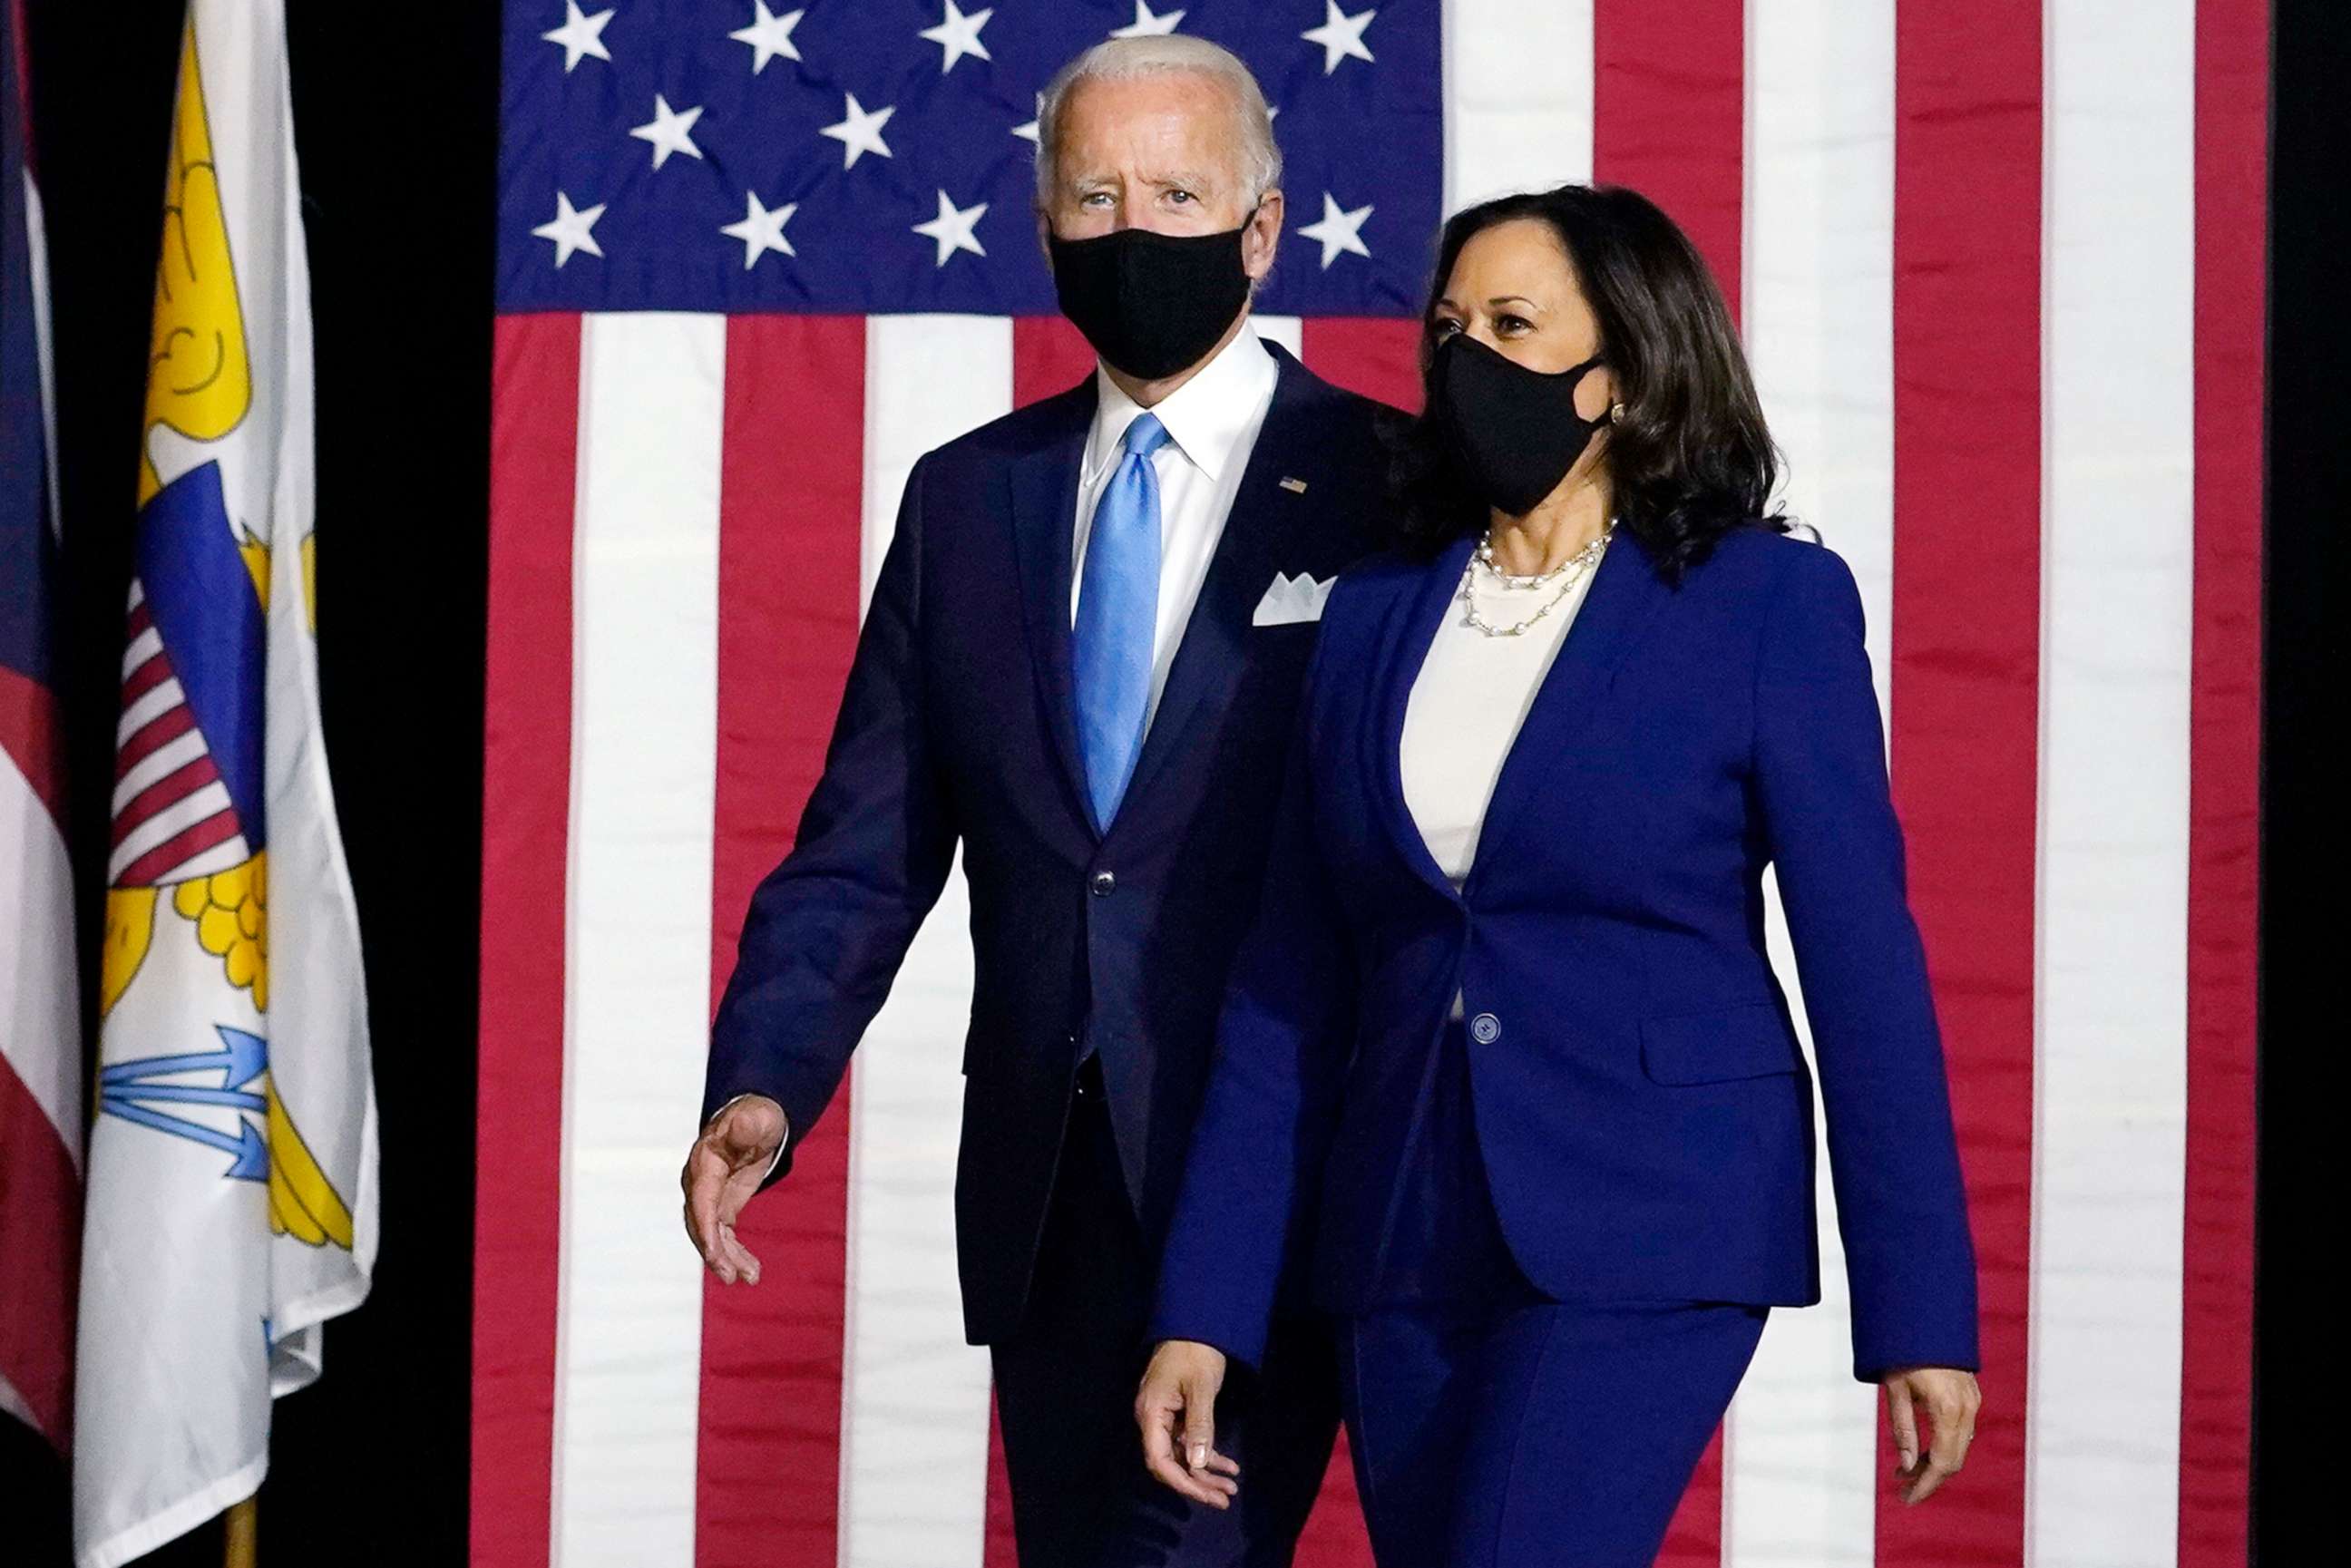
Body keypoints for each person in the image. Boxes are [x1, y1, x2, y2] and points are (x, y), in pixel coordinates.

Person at [1135, 184, 1985, 1566]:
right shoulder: (1368, 617)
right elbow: (1289, 987)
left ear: (1624, 371)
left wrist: (1922, 1313)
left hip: (1652, 1218)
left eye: (1514, 325)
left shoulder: (1766, 605)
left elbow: (1863, 968)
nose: (1466, 357)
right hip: (1402, 1232)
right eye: (1451, 324)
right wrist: (1206, 1307)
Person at [678, 34, 1397, 1567]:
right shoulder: (965, 499)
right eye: (1097, 196)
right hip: (1049, 1197)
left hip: (1284, 1180)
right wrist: (765, 1082)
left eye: (1181, 192)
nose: (1136, 229)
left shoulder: (1388, 488)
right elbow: (861, 851)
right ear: (1046, 228)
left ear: (1264, 231)